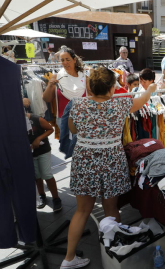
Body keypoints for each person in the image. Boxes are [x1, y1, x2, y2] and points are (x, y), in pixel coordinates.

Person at [61, 67, 157, 268]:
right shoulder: (121, 104)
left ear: (90, 87)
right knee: (111, 208)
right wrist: (150, 89)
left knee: (82, 211)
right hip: (111, 160)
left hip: (85, 159)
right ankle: (115, 253)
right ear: (112, 88)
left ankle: (68, 258)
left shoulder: (77, 104)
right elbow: (143, 100)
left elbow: (73, 129)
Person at [42, 47, 89, 129]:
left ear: (74, 60)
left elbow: (92, 97)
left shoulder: (84, 77)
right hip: (63, 119)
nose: (65, 62)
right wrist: (50, 86)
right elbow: (46, 99)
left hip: (83, 118)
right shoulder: (56, 77)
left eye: (68, 59)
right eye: (62, 60)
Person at [26, 112, 62, 212]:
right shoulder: (16, 122)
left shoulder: (36, 118)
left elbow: (50, 129)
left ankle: (56, 198)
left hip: (43, 150)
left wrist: (39, 138)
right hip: (30, 153)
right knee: (37, 175)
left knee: (47, 174)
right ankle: (42, 195)